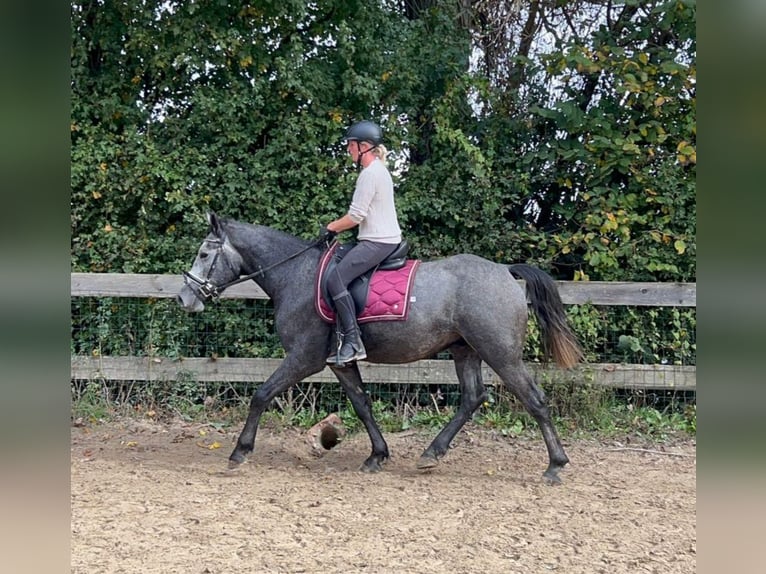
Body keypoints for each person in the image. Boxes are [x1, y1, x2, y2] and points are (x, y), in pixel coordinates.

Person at [322, 120, 403, 366]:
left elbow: (356, 216)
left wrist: (330, 227)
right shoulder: (379, 170)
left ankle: (353, 341)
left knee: (335, 279)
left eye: (351, 145)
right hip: (379, 238)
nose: (348, 150)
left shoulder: (370, 175)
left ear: (364, 147)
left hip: (378, 242)